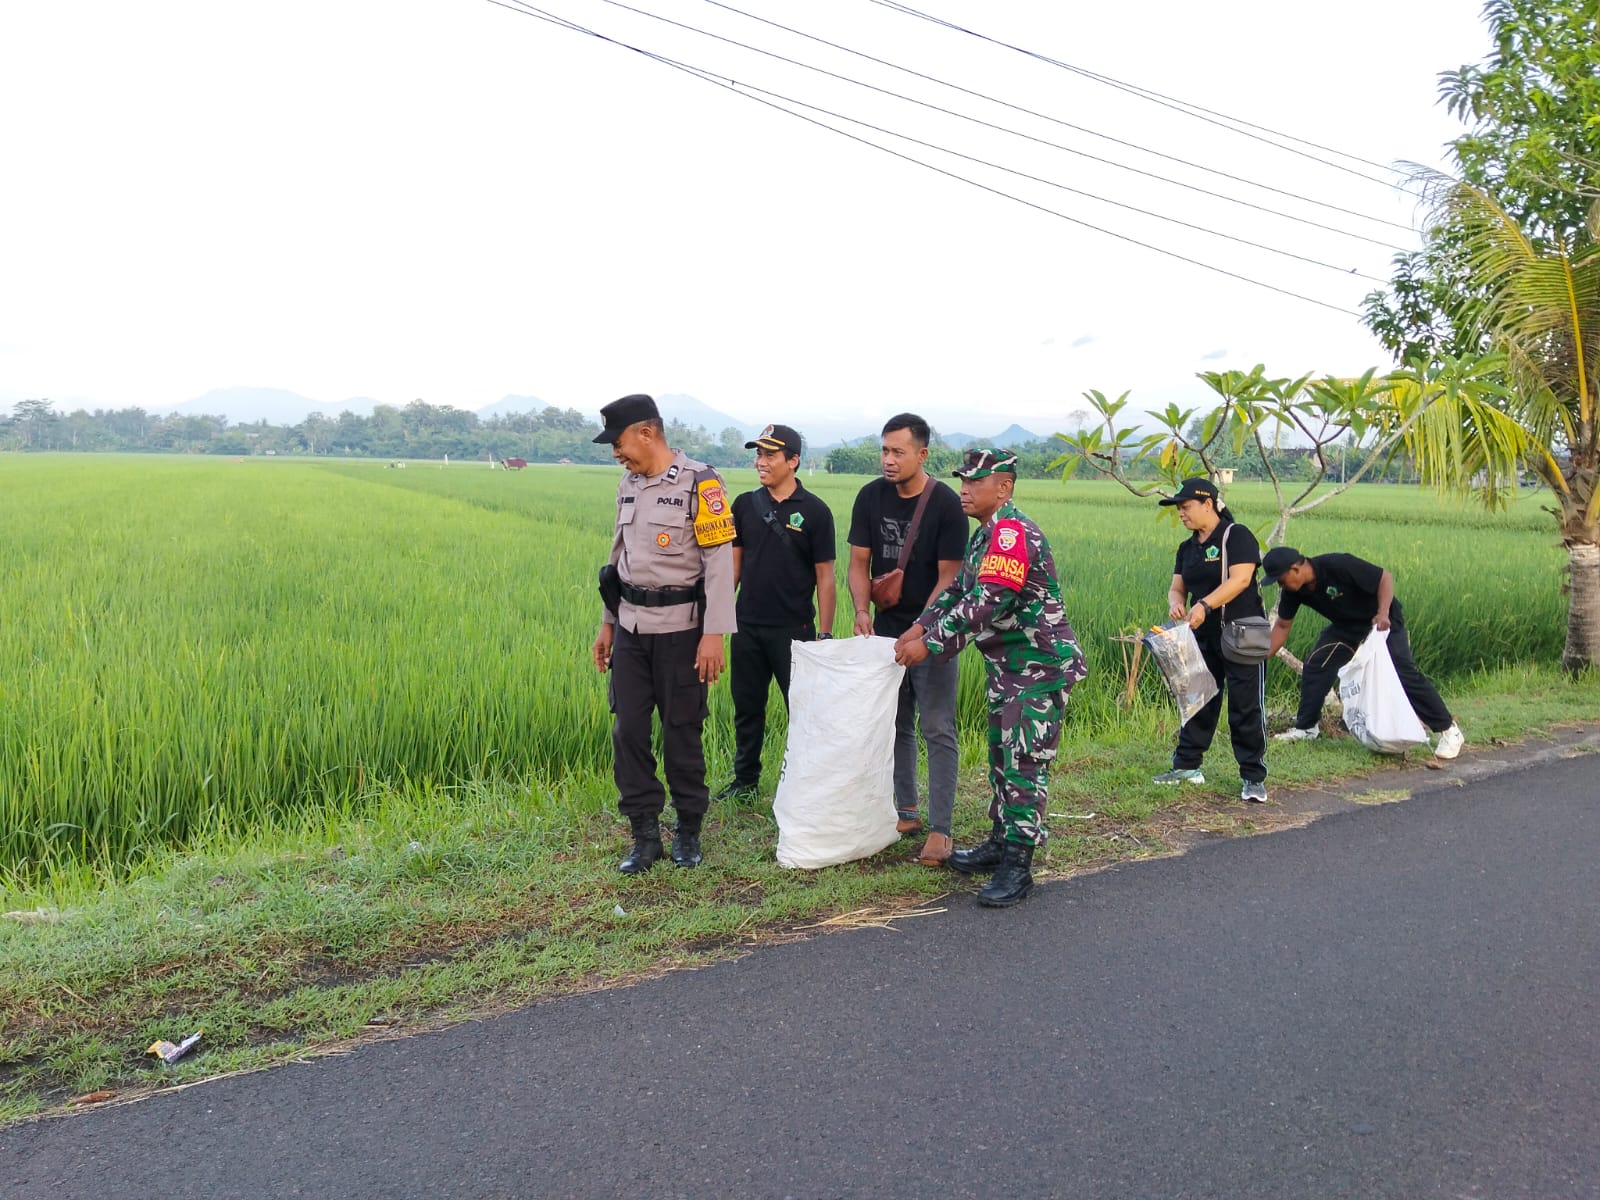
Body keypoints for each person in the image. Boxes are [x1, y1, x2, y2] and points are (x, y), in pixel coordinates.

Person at [893, 448, 1088, 906]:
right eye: (963, 480)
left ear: (1004, 487)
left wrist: (931, 643)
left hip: (1038, 667)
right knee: (1002, 756)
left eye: (976, 482)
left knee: (1024, 764)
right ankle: (1001, 842)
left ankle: (1018, 867)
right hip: (1010, 667)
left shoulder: (1010, 534)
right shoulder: (985, 537)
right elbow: (960, 589)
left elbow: (991, 600)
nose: (964, 488)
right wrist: (920, 624)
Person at [590, 394, 737, 873]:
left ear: (647, 433)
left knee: (681, 733)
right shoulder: (627, 484)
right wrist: (607, 624)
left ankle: (689, 829)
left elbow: (718, 562)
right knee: (628, 729)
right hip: (631, 628)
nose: (617, 453)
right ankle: (644, 834)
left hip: (682, 632)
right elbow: (618, 560)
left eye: (619, 442)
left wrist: (714, 633)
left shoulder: (701, 481)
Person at [846, 413, 967, 863]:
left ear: (922, 454)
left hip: (933, 632)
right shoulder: (870, 497)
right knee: (894, 723)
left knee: (937, 726)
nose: (888, 460)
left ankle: (941, 829)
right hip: (885, 629)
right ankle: (906, 808)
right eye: (884, 450)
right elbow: (859, 562)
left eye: (898, 451)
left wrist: (921, 628)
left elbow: (949, 580)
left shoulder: (946, 505)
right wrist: (861, 609)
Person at [718, 423, 837, 801]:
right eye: (758, 454)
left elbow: (826, 577)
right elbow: (733, 569)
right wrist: (718, 621)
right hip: (747, 627)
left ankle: (805, 782)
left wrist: (826, 635)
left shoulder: (816, 512)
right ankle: (745, 781)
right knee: (747, 707)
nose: (761, 461)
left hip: (794, 630)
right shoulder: (744, 505)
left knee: (801, 711)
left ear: (793, 461)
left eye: (770, 455)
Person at [1261, 546, 1464, 758]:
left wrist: (1383, 613)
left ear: (1295, 569)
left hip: (1382, 622)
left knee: (1403, 672)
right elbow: (1282, 627)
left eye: (1281, 579)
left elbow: (1385, 578)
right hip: (1347, 627)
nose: (1280, 585)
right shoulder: (1293, 592)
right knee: (1317, 664)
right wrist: (1260, 658)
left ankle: (1449, 730)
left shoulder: (1337, 565)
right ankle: (1306, 728)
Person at [1153, 477, 1270, 802]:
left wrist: (1204, 605)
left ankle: (1252, 776)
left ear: (1208, 504)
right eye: (1179, 509)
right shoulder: (1187, 548)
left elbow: (1241, 579)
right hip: (1201, 636)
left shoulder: (1237, 536)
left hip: (1240, 635)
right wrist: (1177, 602)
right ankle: (1187, 766)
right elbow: (1178, 586)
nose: (1182, 514)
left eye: (1186, 507)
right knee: (1197, 701)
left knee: (1246, 707)